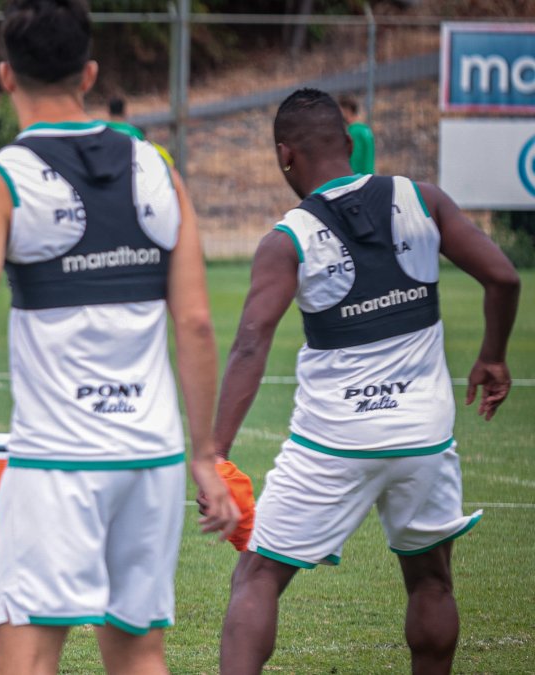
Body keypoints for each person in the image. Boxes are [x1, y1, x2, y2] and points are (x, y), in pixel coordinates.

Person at [0, 2, 241, 673]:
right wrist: (206, 455)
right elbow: (195, 322)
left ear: (6, 77)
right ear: (89, 72)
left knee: (25, 656)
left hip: (57, 464)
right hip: (150, 459)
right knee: (138, 655)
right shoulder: (157, 168)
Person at [211, 88, 519, 675]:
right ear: (350, 143)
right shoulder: (420, 199)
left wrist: (216, 453)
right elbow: (503, 278)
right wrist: (492, 356)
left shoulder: (289, 237)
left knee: (257, 577)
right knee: (430, 580)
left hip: (331, 442)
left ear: (285, 156)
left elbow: (251, 342)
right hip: (422, 435)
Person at [339, 93, 375, 175]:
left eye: (340, 111)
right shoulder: (365, 129)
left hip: (358, 179)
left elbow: (354, 160)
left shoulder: (353, 132)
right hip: (369, 177)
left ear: (347, 111)